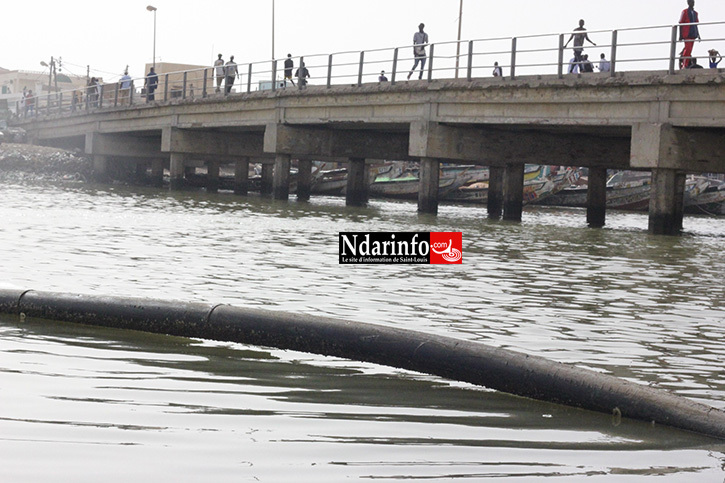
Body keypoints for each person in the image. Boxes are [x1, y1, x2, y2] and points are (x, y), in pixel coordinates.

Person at [678, 0, 700, 68]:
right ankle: (684, 64)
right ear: (688, 3)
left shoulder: (695, 13)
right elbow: (680, 23)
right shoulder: (684, 12)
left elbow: (696, 24)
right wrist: (680, 35)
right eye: (691, 2)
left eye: (693, 2)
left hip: (693, 33)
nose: (692, 3)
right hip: (687, 33)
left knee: (690, 50)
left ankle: (686, 64)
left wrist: (698, 34)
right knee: (687, 49)